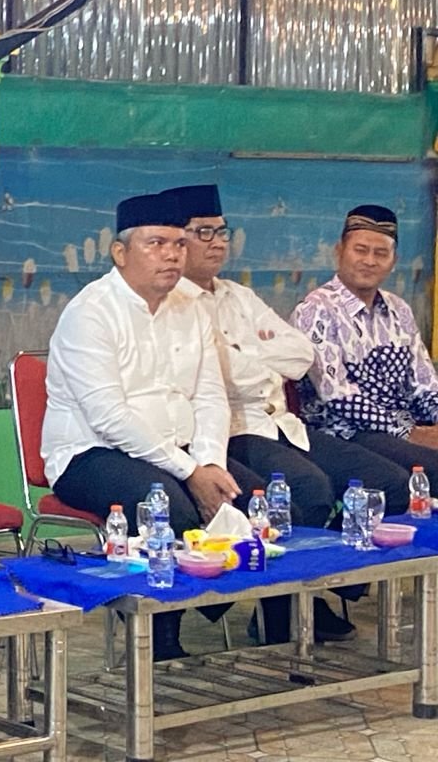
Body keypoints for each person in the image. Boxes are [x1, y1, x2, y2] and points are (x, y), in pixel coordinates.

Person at [43, 190, 266, 659]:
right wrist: (189, 473)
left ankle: (281, 637)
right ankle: (159, 642)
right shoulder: (91, 312)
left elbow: (210, 395)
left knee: (252, 499)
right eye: (156, 244)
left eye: (178, 245)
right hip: (89, 455)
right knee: (169, 507)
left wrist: (209, 463)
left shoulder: (191, 306)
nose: (171, 255)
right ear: (120, 253)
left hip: (179, 452)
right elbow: (109, 417)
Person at [171, 183, 392, 642]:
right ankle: (283, 609)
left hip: (283, 426)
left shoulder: (238, 296)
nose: (216, 242)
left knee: (379, 479)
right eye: (203, 232)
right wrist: (252, 355)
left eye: (222, 231)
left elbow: (300, 355)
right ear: (177, 240)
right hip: (230, 430)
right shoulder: (172, 303)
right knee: (308, 488)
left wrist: (238, 350)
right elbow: (220, 378)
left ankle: (311, 595)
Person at [293, 205, 438, 474]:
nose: (370, 261)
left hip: (403, 428)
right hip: (342, 432)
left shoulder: (399, 309)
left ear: (394, 261)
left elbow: (424, 383)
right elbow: (337, 396)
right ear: (339, 251)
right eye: (360, 250)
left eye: (380, 253)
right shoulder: (316, 309)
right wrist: (410, 433)